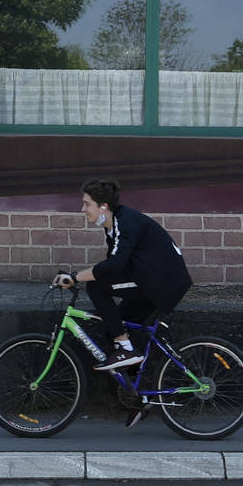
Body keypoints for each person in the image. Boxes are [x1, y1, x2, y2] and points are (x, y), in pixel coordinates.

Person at [52, 178, 192, 424]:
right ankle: (139, 398)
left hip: (162, 284)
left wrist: (75, 277)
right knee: (115, 328)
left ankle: (126, 348)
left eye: (87, 204)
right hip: (151, 281)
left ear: (103, 206)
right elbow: (116, 266)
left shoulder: (126, 222)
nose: (83, 209)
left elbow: (115, 266)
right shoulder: (112, 227)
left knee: (96, 287)